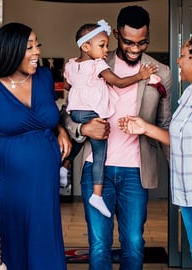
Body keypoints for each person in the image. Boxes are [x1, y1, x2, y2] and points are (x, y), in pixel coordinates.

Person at [118, 22, 192, 269]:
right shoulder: (188, 94)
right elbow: (180, 139)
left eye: (183, 56)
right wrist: (144, 127)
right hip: (188, 195)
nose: (178, 61)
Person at [61, 5, 172, 270]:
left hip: (136, 171)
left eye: (142, 42)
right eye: (128, 42)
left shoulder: (161, 72)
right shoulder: (93, 63)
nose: (135, 48)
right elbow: (68, 113)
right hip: (96, 169)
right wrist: (82, 129)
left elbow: (164, 124)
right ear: (116, 35)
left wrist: (178, 171)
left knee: (133, 243)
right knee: (99, 244)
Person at [0, 22, 70, 270]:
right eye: (29, 47)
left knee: (43, 233)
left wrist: (59, 130)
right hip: (3, 177)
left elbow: (48, 115)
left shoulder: (42, 77)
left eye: (37, 45)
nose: (37, 52)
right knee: (8, 234)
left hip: (43, 180)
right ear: (10, 50)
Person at [64, 19, 157, 218]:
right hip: (92, 114)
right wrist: (140, 76)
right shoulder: (98, 64)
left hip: (76, 112)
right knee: (100, 155)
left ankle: (63, 166)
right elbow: (119, 83)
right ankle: (97, 195)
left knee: (76, 143)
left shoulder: (71, 64)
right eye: (102, 45)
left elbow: (67, 85)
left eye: (107, 45)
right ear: (86, 46)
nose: (106, 50)